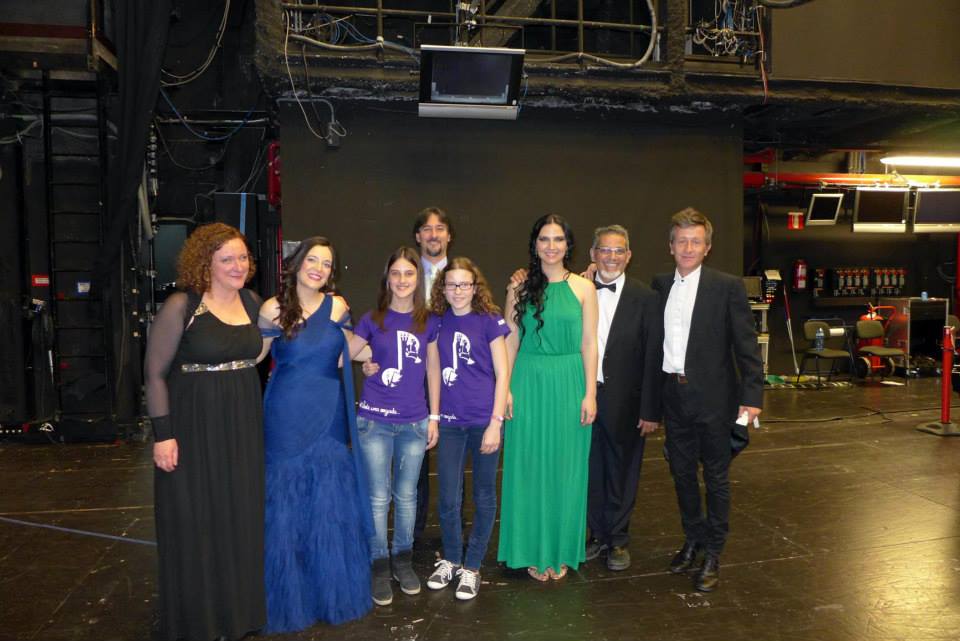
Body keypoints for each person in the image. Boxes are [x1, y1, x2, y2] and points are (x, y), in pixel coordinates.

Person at [145, 223, 267, 641]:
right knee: (196, 519)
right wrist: (163, 434)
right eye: (227, 258)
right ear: (205, 262)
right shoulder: (183, 305)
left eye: (243, 257)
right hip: (193, 426)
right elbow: (154, 374)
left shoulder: (252, 302)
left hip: (242, 423)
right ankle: (200, 621)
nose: (238, 265)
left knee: (239, 516)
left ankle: (238, 616)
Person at [257, 237, 373, 632]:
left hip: (329, 409)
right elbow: (254, 356)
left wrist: (377, 355)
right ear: (297, 262)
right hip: (285, 411)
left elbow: (347, 352)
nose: (318, 268)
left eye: (326, 263)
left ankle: (330, 594)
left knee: (329, 503)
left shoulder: (337, 306)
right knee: (286, 507)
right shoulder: (272, 308)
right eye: (312, 259)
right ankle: (291, 600)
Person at [652, 207, 763, 593]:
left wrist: (752, 396)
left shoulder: (727, 286)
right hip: (673, 396)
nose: (688, 247)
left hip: (716, 400)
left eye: (695, 241)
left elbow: (746, 346)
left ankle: (714, 552)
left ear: (707, 247)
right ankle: (694, 540)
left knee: (715, 478)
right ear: (670, 246)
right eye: (681, 241)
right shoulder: (659, 286)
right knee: (682, 475)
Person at [498, 214, 598, 581]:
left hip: (570, 383)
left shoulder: (584, 288)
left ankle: (560, 550)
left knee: (566, 468)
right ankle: (529, 551)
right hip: (527, 381)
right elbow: (510, 340)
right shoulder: (518, 287)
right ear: (535, 244)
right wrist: (505, 388)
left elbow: (590, 343)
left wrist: (590, 393)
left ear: (568, 245)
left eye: (558, 239)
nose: (551, 246)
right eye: (544, 239)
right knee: (528, 466)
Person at [350, 246, 441, 606]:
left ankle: (403, 560)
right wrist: (367, 359)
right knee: (378, 497)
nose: (402, 280)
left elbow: (433, 369)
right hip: (374, 421)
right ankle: (379, 564)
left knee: (407, 497)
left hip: (414, 423)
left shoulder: (429, 321)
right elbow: (347, 352)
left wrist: (434, 416)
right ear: (387, 279)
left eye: (409, 273)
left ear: (418, 279)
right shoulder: (373, 319)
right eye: (396, 273)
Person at [422, 257, 510, 601]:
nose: (458, 290)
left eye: (464, 284)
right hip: (450, 424)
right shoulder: (436, 321)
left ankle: (472, 566)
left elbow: (503, 373)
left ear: (475, 287)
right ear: (442, 288)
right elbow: (432, 371)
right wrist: (434, 417)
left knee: (483, 495)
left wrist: (495, 423)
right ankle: (451, 559)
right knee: (448, 496)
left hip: (484, 421)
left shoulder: (490, 320)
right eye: (451, 284)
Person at [582, 225, 663, 572]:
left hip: (627, 401)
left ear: (628, 256)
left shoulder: (646, 298)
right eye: (605, 250)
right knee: (590, 468)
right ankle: (596, 533)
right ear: (593, 254)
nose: (611, 257)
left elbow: (653, 356)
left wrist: (650, 409)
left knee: (623, 470)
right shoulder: (578, 291)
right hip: (583, 397)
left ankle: (617, 538)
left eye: (618, 251)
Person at [411, 207, 453, 544]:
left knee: (455, 453)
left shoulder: (464, 274)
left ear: (449, 235)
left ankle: (454, 532)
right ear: (418, 236)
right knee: (416, 454)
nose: (433, 234)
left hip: (455, 375)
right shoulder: (404, 275)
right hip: (415, 376)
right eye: (427, 229)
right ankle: (413, 530)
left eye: (440, 228)